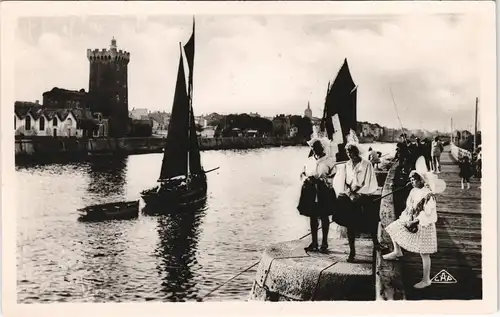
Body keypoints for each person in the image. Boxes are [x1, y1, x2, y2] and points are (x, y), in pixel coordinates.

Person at [382, 170, 438, 289]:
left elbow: (430, 214)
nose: (412, 182)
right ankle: (397, 251)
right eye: (411, 180)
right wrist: (406, 218)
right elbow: (409, 207)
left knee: (424, 253)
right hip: (412, 218)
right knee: (394, 227)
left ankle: (426, 279)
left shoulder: (428, 194)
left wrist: (415, 221)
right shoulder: (413, 191)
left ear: (421, 180)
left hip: (424, 224)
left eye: (414, 180)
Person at [332, 143, 380, 262]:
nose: (349, 155)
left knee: (370, 221)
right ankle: (352, 252)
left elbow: (369, 181)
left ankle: (376, 244)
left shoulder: (367, 164)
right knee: (350, 225)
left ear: (356, 152)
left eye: (351, 152)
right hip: (350, 196)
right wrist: (350, 193)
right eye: (347, 153)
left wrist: (359, 194)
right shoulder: (346, 165)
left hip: (363, 195)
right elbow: (344, 181)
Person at [297, 139, 337, 253]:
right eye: (313, 147)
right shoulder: (309, 161)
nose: (314, 149)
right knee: (313, 216)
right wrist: (307, 179)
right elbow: (303, 174)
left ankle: (324, 243)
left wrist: (323, 180)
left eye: (317, 147)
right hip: (310, 190)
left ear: (322, 148)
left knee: (324, 216)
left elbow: (332, 176)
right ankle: (314, 242)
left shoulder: (329, 161)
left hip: (323, 190)